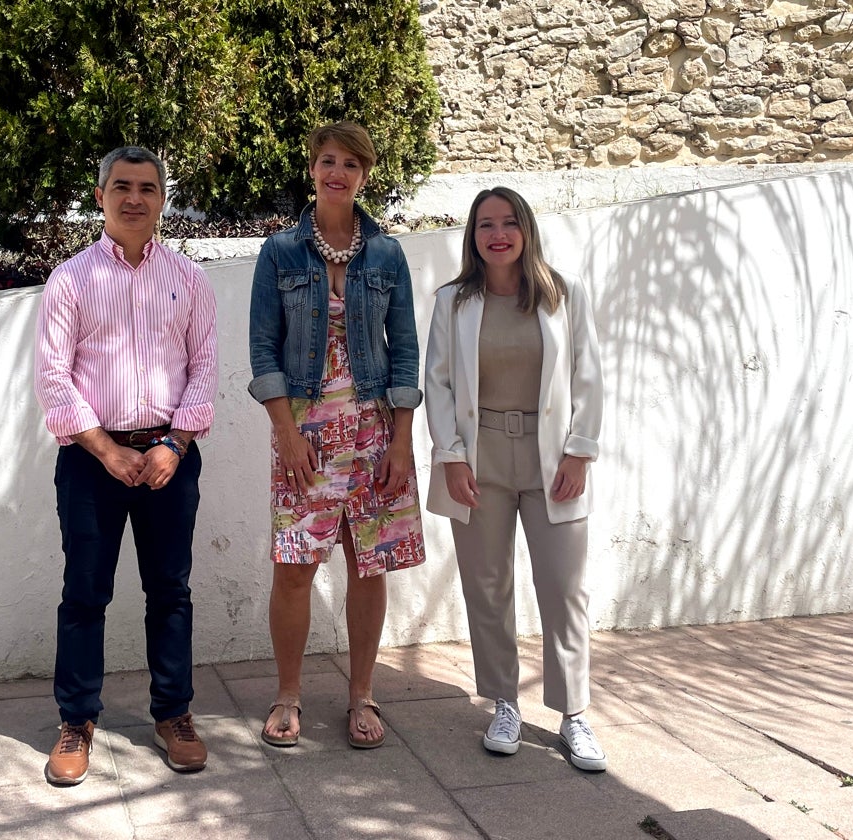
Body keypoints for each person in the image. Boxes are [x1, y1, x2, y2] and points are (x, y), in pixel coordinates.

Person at [34, 146, 218, 782]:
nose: (134, 198)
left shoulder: (190, 279)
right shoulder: (71, 280)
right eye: (121, 186)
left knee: (170, 591)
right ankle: (76, 720)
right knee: (85, 593)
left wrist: (173, 445)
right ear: (100, 196)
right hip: (91, 460)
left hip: (172, 457)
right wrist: (107, 449)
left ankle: (173, 714)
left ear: (162, 199)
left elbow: (204, 371)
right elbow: (53, 379)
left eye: (146, 187)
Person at [248, 121, 426, 750]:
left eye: (350, 164)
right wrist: (287, 433)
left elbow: (404, 353)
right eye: (327, 161)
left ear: (365, 175)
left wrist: (402, 441)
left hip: (376, 428)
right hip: (305, 433)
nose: (337, 173)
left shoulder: (387, 255)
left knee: (369, 564)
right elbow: (263, 354)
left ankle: (362, 696)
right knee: (294, 566)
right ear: (312, 169)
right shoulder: (279, 252)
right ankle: (288, 695)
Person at [423, 187, 607, 771]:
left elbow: (588, 377)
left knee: (564, 588)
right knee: (489, 586)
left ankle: (574, 714)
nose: (497, 234)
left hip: (551, 461)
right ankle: (505, 703)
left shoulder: (563, 293)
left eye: (507, 223)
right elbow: (440, 384)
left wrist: (580, 451)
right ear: (472, 236)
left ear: (526, 230)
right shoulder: (453, 301)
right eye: (484, 225)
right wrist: (450, 456)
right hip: (480, 461)